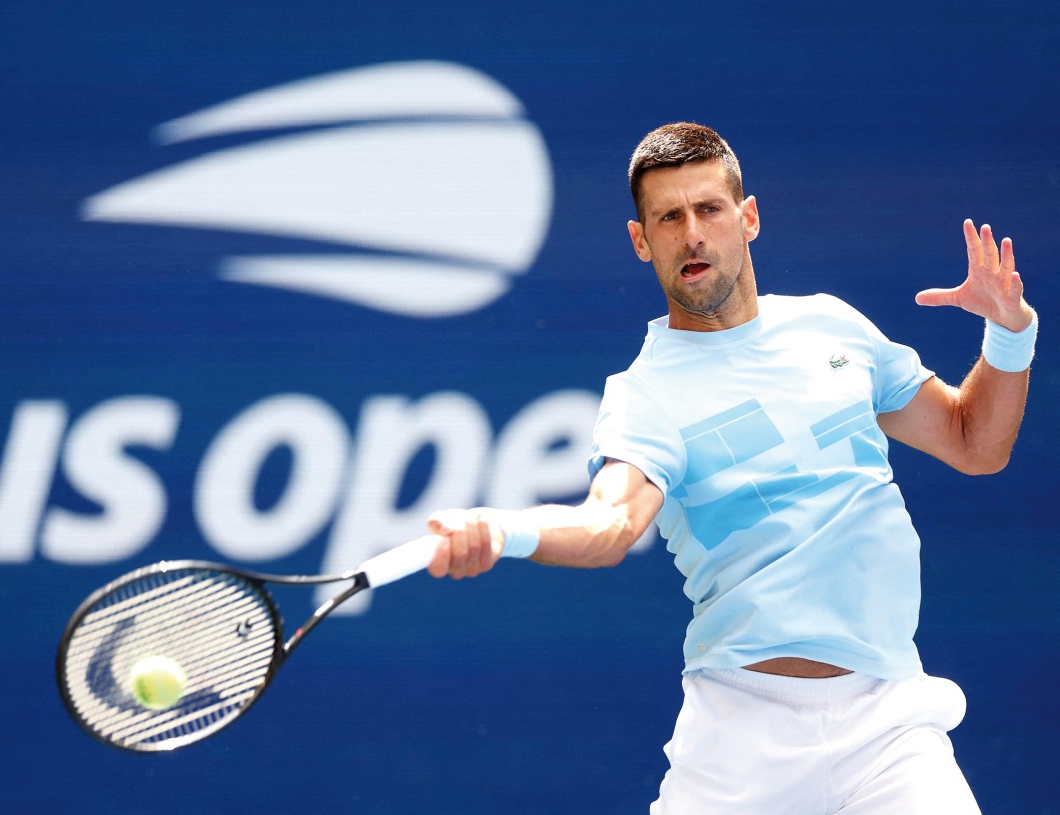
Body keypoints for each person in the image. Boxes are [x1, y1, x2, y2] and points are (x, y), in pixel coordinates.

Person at [422, 122, 1036, 814]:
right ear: (641, 240)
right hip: (741, 743)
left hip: (889, 724)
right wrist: (505, 530)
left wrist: (1009, 333)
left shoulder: (833, 328)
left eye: (709, 209)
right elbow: (611, 522)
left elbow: (973, 442)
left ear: (748, 217)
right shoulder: (644, 395)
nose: (692, 234)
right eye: (669, 217)